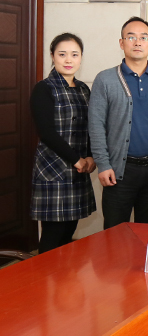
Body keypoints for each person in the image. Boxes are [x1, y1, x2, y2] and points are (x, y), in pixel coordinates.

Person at [88, 17, 148, 230]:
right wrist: (103, 164)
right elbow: (96, 124)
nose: (137, 42)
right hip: (119, 171)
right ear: (121, 43)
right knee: (115, 234)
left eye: (143, 38)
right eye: (131, 37)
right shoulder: (105, 79)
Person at [30, 33, 96, 252]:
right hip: (53, 169)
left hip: (79, 170)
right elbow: (46, 133)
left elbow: (91, 126)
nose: (69, 60)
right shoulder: (44, 88)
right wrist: (76, 159)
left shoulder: (84, 89)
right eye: (62, 54)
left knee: (69, 233)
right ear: (52, 56)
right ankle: (42, 274)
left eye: (74, 54)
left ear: (81, 58)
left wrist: (90, 156)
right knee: (52, 236)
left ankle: (64, 275)